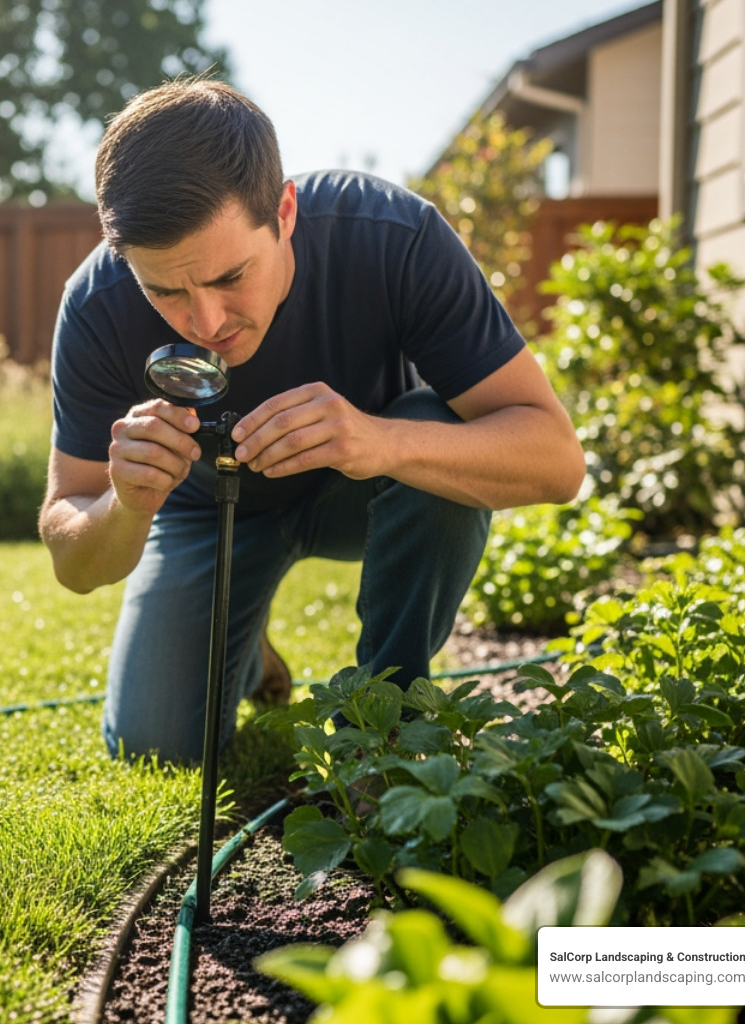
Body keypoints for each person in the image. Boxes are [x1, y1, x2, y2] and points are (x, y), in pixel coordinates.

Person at [37, 79, 586, 762]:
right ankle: (245, 643)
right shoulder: (94, 306)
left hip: (369, 489)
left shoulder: (393, 236)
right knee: (153, 746)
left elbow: (559, 464)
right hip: (207, 512)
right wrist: (125, 504)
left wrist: (381, 440)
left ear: (286, 211)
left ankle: (385, 724)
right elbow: (72, 558)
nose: (205, 323)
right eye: (165, 291)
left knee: (432, 428)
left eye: (231, 277)